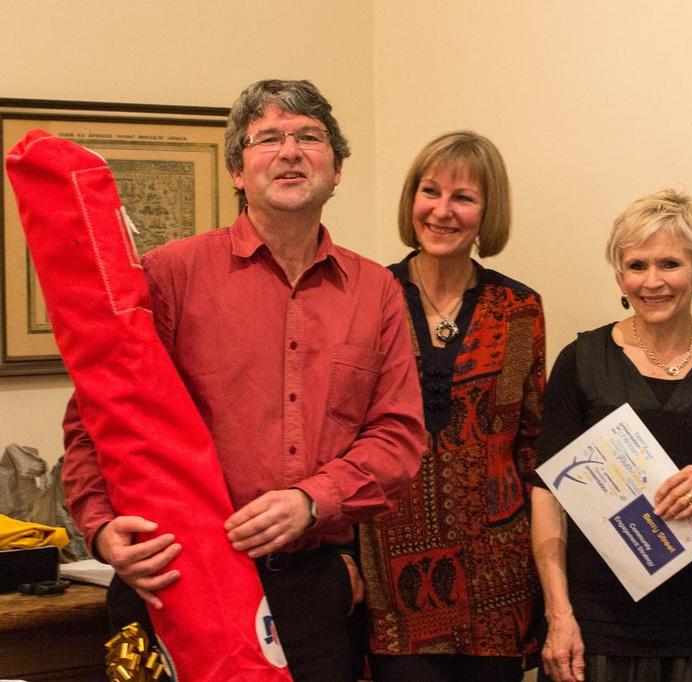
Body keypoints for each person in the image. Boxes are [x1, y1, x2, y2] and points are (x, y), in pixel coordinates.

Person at [61, 79, 426, 681]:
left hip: (310, 591)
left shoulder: (375, 292)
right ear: (237, 169)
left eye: (309, 137)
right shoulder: (170, 274)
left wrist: (313, 499)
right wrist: (100, 528)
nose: (290, 151)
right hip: (178, 579)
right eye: (268, 139)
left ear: (336, 171)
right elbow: (94, 418)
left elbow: (398, 438)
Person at [532, 188, 692, 682]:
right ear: (620, 275)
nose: (653, 281)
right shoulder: (581, 362)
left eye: (670, 264)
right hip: (597, 625)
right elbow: (546, 494)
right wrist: (559, 616)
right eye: (637, 265)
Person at [359, 131, 546, 681]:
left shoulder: (519, 309)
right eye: (430, 191)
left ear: (488, 212)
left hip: (498, 580)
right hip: (392, 580)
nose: (442, 211)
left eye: (463, 198)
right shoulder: (369, 298)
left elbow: (532, 444)